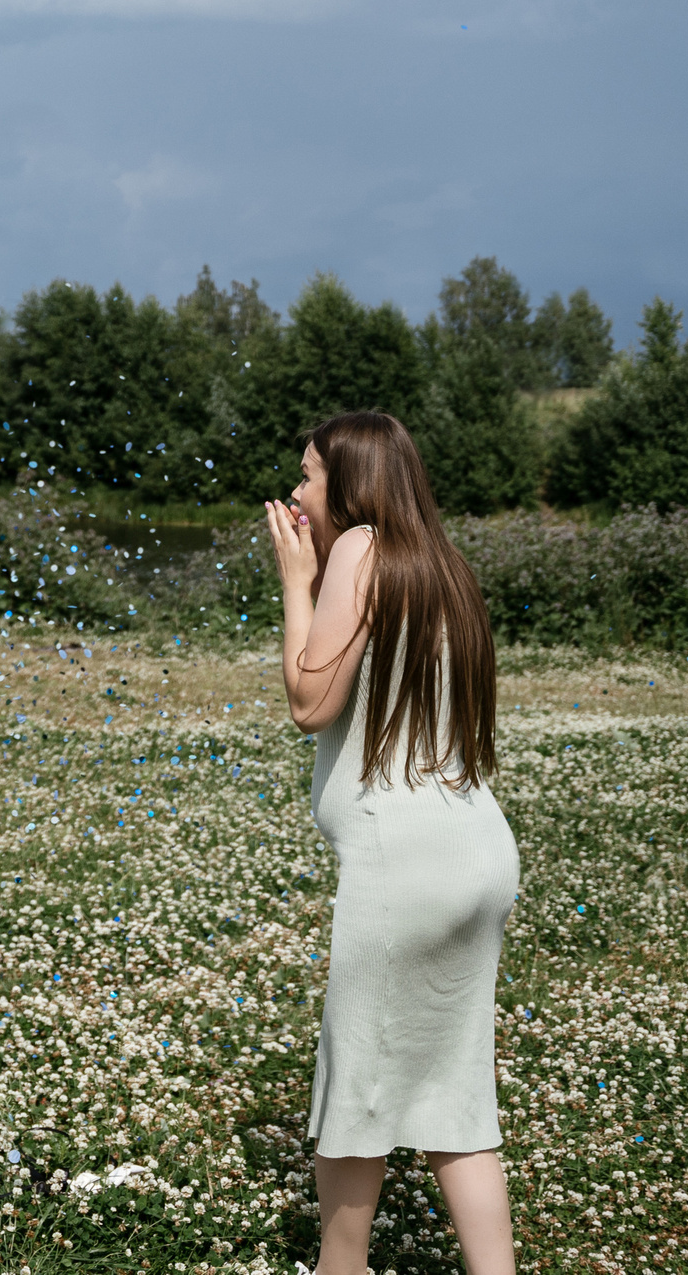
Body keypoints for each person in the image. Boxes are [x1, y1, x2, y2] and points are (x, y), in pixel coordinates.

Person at [263, 411, 521, 1275]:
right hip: (479, 854)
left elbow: (311, 702)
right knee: (456, 1097)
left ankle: (342, 1270)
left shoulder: (361, 549)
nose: (298, 493)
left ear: (352, 484)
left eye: (308, 476)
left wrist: (298, 579)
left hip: (403, 865)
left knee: (357, 1092)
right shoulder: (443, 564)